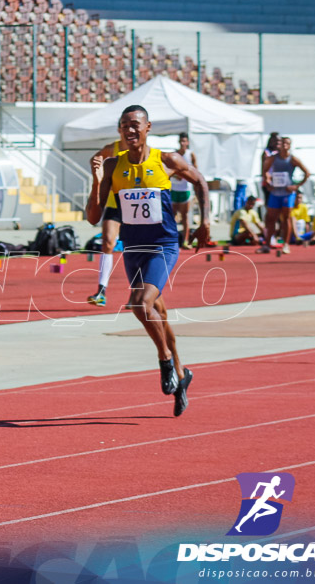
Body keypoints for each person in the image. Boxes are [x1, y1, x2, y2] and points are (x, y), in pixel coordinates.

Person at [87, 105, 210, 417]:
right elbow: (92, 218)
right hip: (134, 248)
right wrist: (96, 179)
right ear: (119, 131)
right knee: (158, 313)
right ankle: (182, 375)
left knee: (141, 304)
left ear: (147, 128)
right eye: (124, 126)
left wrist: (204, 221)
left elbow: (200, 182)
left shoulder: (166, 160)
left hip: (163, 245)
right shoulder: (114, 165)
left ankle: (165, 360)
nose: (129, 131)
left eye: (135, 125)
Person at [85, 134, 125, 307]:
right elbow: (95, 158)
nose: (129, 132)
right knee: (107, 242)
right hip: (114, 203)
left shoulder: (142, 150)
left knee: (134, 248)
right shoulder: (112, 148)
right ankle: (101, 291)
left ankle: (137, 291)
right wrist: (99, 174)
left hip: (134, 204)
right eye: (124, 127)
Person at [259, 137, 309, 255]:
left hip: (287, 193)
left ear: (290, 145)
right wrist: (268, 181)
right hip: (275, 192)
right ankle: (267, 244)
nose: (284, 145)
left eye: (287, 143)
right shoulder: (273, 158)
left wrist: (296, 186)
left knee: (286, 218)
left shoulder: (293, 159)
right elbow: (264, 170)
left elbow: (307, 173)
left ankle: (286, 245)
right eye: (282, 143)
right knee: (271, 218)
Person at [170, 132, 198, 249]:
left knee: (185, 216)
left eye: (184, 141)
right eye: (181, 141)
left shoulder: (190, 155)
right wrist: (176, 175)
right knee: (172, 216)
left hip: (185, 190)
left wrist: (186, 176)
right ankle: (172, 241)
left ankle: (185, 241)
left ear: (187, 142)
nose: (182, 143)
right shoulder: (174, 154)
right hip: (174, 189)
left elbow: (196, 172)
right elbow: (169, 169)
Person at [260, 132, 280, 208]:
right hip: (269, 182)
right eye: (275, 140)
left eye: (279, 141)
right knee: (270, 204)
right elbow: (264, 169)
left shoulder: (280, 152)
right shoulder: (267, 152)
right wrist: (267, 180)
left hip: (279, 181)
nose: (277, 143)